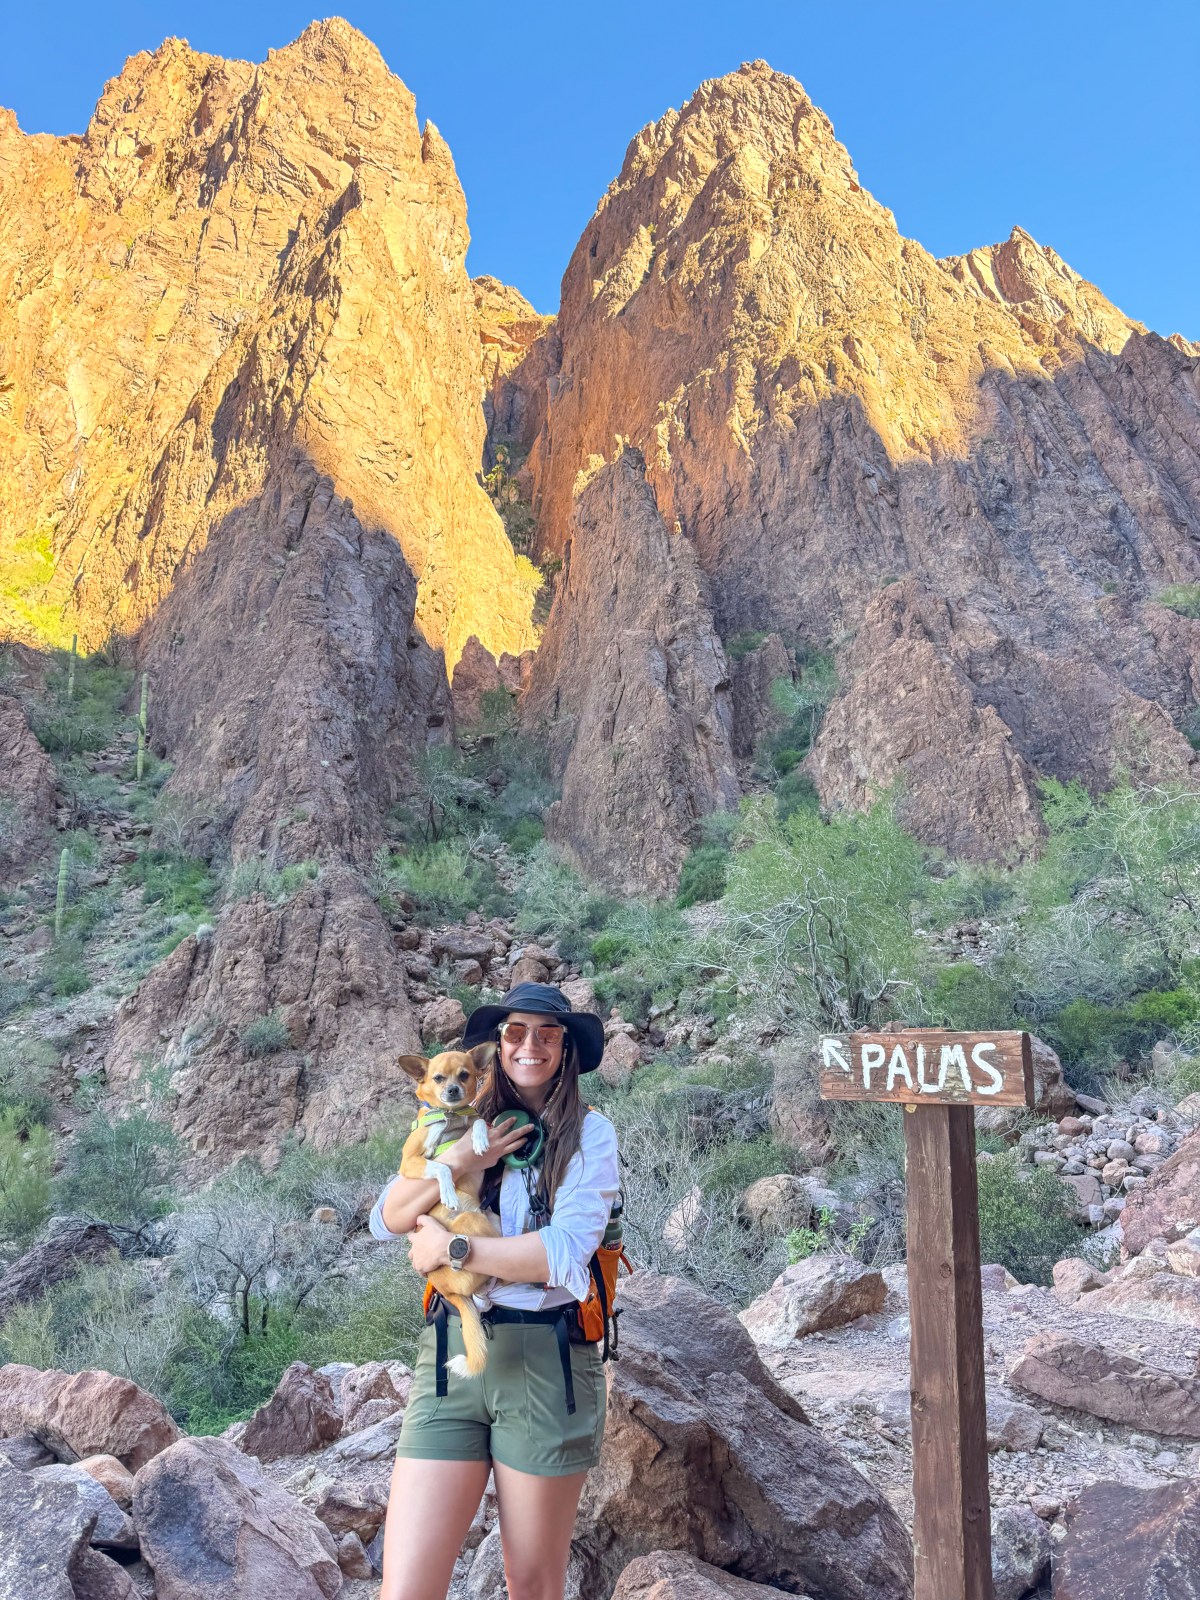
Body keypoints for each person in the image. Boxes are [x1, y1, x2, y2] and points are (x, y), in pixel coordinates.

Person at [369, 981, 619, 1600]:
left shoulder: (591, 1135)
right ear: (498, 1044)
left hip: (545, 1356)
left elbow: (563, 1257)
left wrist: (455, 1250)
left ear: (566, 1048)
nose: (529, 1045)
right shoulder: (462, 1122)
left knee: (530, 1584)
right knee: (405, 1588)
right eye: (515, 1032)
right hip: (452, 1356)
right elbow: (387, 1217)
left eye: (547, 1033)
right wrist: (457, 1164)